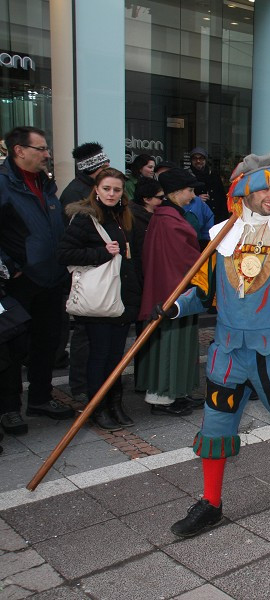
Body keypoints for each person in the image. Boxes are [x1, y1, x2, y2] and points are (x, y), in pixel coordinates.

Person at [160, 153, 270, 538]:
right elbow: (204, 291)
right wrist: (175, 306)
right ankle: (210, 503)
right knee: (215, 426)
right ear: (243, 190)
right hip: (226, 352)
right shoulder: (220, 236)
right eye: (264, 188)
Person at [0, 126, 74, 436]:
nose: (47, 154)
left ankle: (41, 398)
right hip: (19, 281)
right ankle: (9, 408)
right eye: (41, 149)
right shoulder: (4, 184)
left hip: (51, 277)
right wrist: (8, 266)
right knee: (13, 347)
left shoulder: (45, 184)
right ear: (19, 151)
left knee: (47, 342)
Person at [57, 168, 141, 430]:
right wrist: (101, 252)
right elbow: (64, 254)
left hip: (120, 298)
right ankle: (98, 408)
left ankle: (115, 404)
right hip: (99, 301)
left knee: (116, 356)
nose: (112, 194)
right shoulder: (84, 217)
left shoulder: (121, 216)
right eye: (107, 188)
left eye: (117, 189)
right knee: (99, 355)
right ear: (96, 189)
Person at [135, 169, 202, 416]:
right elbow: (186, 259)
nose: (193, 195)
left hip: (172, 291)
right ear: (175, 193)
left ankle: (177, 392)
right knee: (169, 346)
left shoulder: (166, 217)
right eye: (190, 190)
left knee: (178, 345)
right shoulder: (169, 221)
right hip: (172, 293)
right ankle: (162, 397)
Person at [58, 142, 112, 400]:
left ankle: (92, 384)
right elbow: (70, 248)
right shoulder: (77, 195)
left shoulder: (86, 188)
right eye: (105, 165)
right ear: (95, 169)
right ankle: (80, 387)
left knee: (94, 335)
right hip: (87, 273)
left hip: (99, 271)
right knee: (83, 333)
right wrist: (103, 253)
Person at [130, 177, 166, 285]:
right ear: (146, 199)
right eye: (160, 197)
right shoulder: (134, 219)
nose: (163, 200)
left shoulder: (153, 216)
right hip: (141, 275)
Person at [59, 142, 111, 207]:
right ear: (91, 169)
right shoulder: (74, 193)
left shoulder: (97, 185)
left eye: (108, 167)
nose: (108, 171)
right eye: (103, 167)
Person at [188, 147, 228, 222]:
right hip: (198, 217)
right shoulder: (187, 176)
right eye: (195, 158)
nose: (198, 161)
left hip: (217, 217)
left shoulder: (214, 175)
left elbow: (222, 197)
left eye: (201, 158)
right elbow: (181, 197)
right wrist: (196, 198)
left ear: (205, 160)